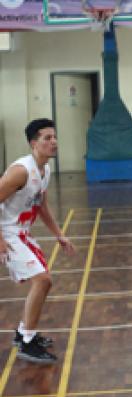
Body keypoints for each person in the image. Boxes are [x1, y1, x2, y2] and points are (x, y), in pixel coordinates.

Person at [0, 118, 76, 363]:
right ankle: (27, 341)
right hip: (7, 232)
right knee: (42, 280)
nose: (53, 142)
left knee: (44, 281)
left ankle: (24, 333)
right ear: (34, 143)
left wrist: (59, 234)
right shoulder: (20, 171)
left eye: (54, 137)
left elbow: (40, 204)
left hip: (21, 232)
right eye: (47, 138)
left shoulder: (45, 170)